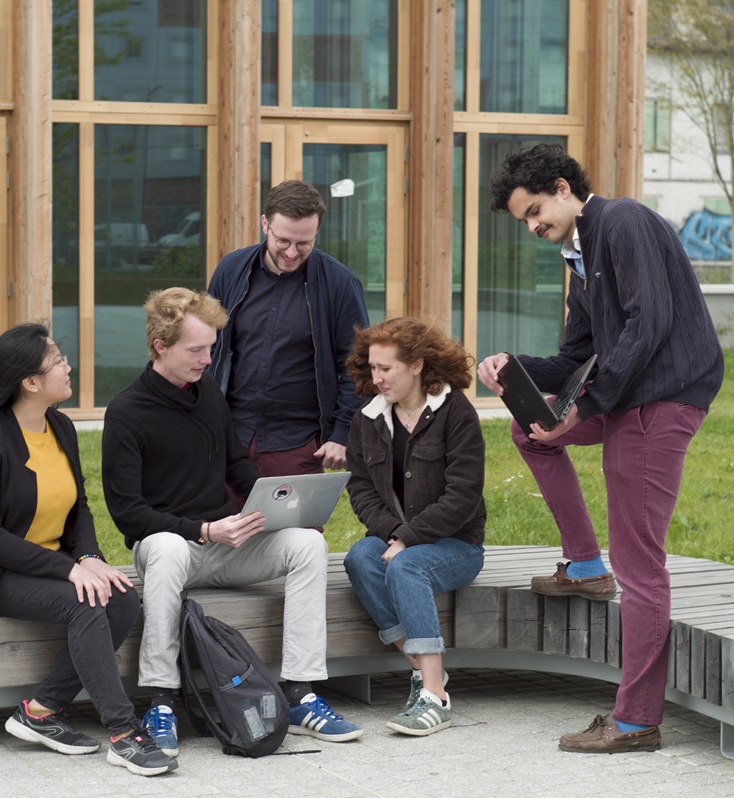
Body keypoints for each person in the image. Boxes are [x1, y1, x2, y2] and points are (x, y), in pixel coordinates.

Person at [478, 144, 724, 754]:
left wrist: (585, 407)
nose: (533, 227)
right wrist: (516, 366)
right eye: (524, 221)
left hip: (661, 401)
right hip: (627, 399)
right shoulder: (579, 255)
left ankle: (637, 721)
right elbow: (572, 358)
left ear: (562, 188)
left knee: (640, 565)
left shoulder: (624, 222)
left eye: (535, 211)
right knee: (527, 430)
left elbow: (650, 322)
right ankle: (586, 568)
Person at [102, 287, 363, 757]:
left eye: (211, 347)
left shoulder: (209, 397)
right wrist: (202, 530)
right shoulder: (126, 412)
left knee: (307, 543)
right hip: (172, 549)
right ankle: (160, 701)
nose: (208, 358)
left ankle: (301, 692)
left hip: (226, 543)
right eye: (196, 349)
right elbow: (127, 512)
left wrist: (275, 502)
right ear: (161, 346)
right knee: (164, 546)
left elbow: (237, 467)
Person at [0, 323, 177, 777]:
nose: (68, 366)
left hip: (45, 565)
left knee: (121, 597)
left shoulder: (58, 425)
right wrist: (68, 572)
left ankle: (41, 711)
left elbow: (77, 506)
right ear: (30, 382)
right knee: (84, 602)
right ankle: (122, 732)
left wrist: (90, 558)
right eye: (58, 360)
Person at [342, 317, 486, 737]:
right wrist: (393, 533)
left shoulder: (455, 412)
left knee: (407, 566)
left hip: (456, 546)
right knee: (359, 558)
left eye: (386, 369)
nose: (377, 378)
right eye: (372, 368)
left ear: (418, 365)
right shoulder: (367, 419)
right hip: (396, 541)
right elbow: (361, 489)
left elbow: (463, 497)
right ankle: (427, 675)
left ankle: (435, 698)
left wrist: (407, 538)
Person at [208, 180, 369, 476]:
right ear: (265, 224)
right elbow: (207, 349)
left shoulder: (341, 284)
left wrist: (342, 434)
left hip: (299, 443)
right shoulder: (230, 270)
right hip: (228, 437)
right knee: (222, 523)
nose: (292, 253)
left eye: (304, 243)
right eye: (283, 241)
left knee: (293, 525)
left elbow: (356, 365)